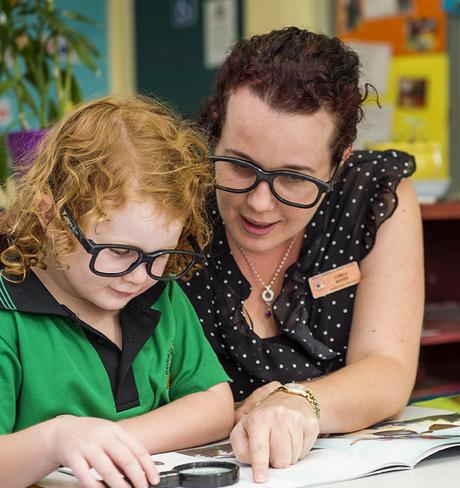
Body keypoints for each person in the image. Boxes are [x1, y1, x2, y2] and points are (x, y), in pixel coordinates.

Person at [185, 27, 424, 482]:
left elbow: (388, 370)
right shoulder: (175, 204)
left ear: (339, 162)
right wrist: (230, 416)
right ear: (214, 135)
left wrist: (298, 403)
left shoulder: (372, 196)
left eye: (295, 178)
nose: (259, 202)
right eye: (239, 164)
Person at [0, 96, 234, 488]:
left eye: (161, 255)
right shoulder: (9, 319)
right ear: (51, 219)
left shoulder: (162, 297)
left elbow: (214, 404)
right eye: (119, 251)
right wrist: (55, 440)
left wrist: (112, 443)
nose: (140, 277)